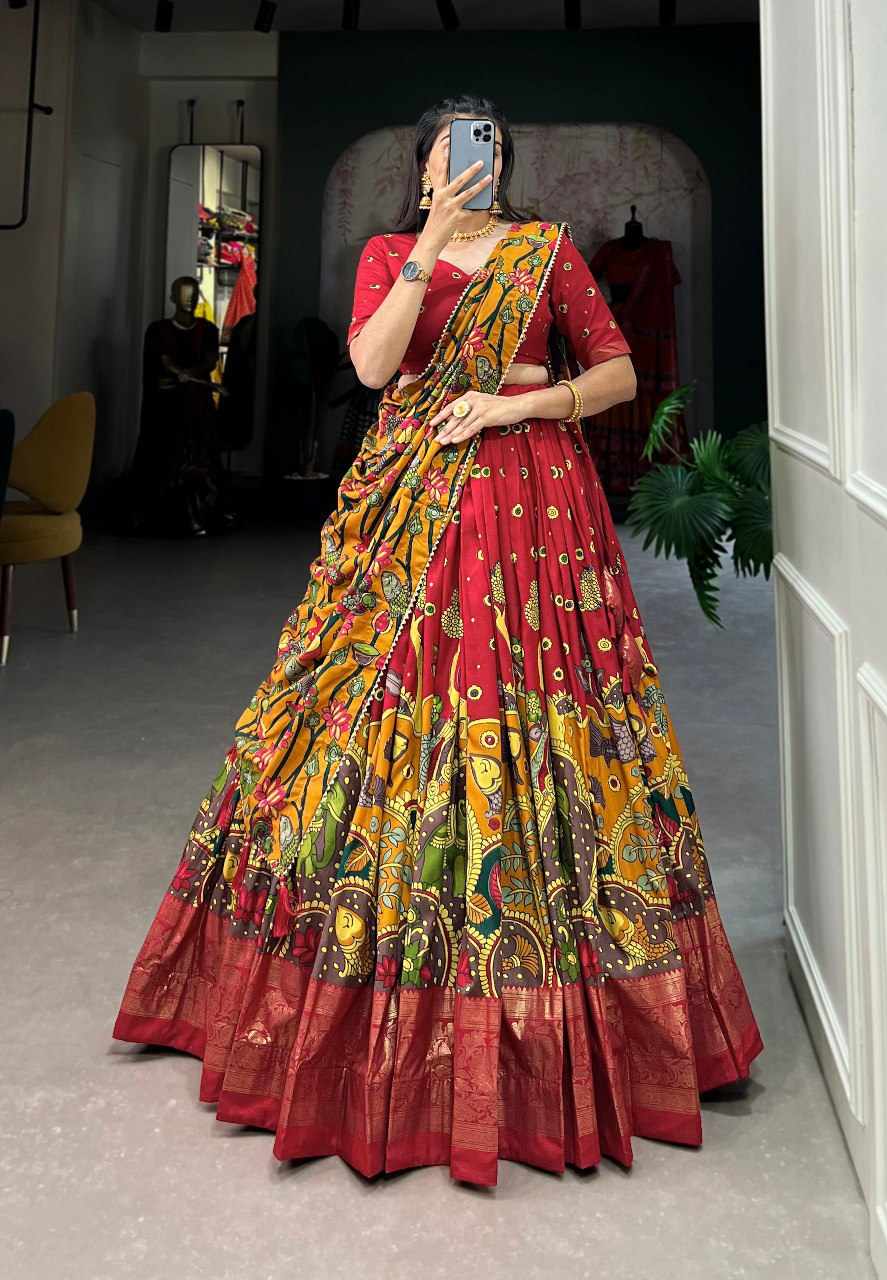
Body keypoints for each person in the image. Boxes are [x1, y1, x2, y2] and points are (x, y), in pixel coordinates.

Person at [112, 96, 764, 1187]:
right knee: (364, 714)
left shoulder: (545, 251)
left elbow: (617, 373)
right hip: (405, 505)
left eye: (491, 146)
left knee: (541, 723)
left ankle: (559, 1005)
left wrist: (514, 408)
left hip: (533, 507)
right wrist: (428, 247)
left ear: (505, 162)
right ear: (424, 169)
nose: (476, 161)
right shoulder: (386, 255)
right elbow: (375, 370)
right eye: (457, 149)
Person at [130, 276, 233, 536]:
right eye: (184, 294)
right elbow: (162, 361)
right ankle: (163, 513)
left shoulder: (207, 330)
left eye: (194, 294)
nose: (190, 299)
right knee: (166, 456)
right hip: (168, 408)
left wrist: (190, 374)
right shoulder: (159, 330)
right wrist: (177, 373)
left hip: (198, 407)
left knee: (202, 455)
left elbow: (209, 361)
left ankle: (205, 512)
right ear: (173, 297)